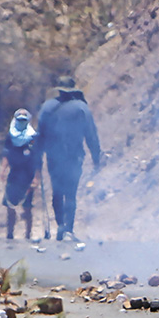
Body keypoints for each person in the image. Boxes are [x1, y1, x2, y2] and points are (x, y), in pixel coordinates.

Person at [37, 76, 101, 241]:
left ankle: (60, 226)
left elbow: (40, 136)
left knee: (57, 192)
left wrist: (37, 157)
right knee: (70, 193)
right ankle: (68, 229)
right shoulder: (81, 107)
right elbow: (91, 134)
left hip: (53, 156)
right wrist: (96, 157)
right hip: (74, 156)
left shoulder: (47, 107)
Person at [0, 109, 40, 240]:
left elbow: (37, 158)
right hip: (14, 174)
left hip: (27, 174)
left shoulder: (33, 137)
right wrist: (3, 170)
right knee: (10, 205)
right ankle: (10, 234)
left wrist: (36, 177)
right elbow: (6, 154)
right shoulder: (11, 136)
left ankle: (28, 234)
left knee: (27, 206)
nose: (21, 123)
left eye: (24, 120)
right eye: (19, 120)